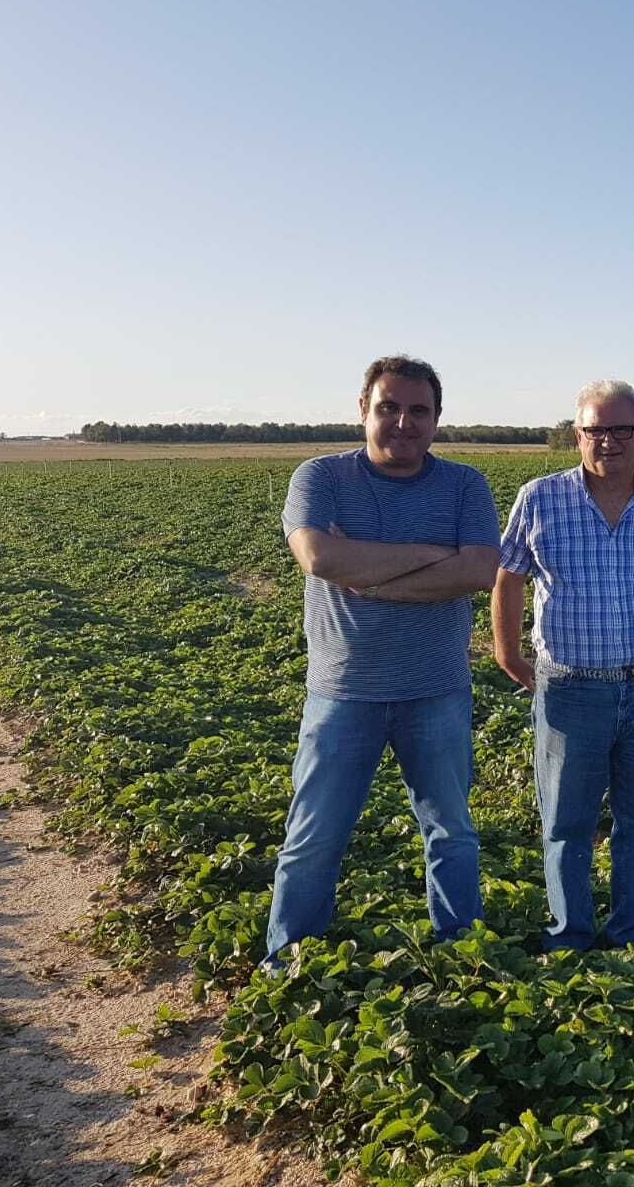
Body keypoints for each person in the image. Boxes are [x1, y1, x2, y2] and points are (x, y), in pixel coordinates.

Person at [266, 355, 501, 966]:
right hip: (343, 690)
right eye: (389, 407)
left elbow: (480, 571)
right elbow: (320, 559)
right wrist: (434, 555)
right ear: (363, 409)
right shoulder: (321, 477)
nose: (403, 422)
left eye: (419, 410)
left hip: (436, 689)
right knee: (314, 837)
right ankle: (288, 961)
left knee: (451, 832)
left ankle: (462, 953)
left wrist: (367, 573)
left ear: (437, 418)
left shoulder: (464, 485)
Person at [491, 380, 634, 951]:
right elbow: (507, 578)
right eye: (596, 430)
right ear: (578, 436)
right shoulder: (540, 498)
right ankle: (570, 934)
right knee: (567, 821)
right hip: (569, 689)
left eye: (621, 429)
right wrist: (507, 652)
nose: (608, 441)